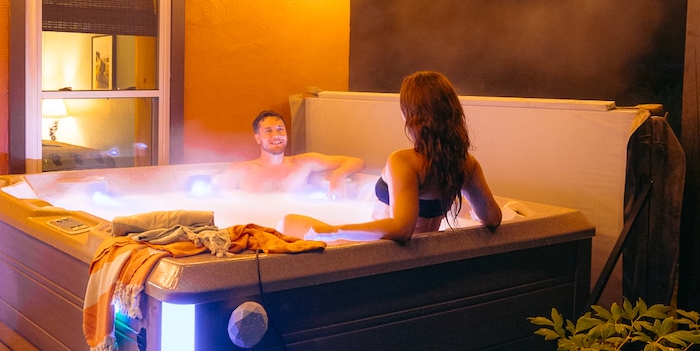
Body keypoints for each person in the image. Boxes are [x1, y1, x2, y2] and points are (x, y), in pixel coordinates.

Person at [282, 71, 502, 243]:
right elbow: (493, 219)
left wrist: (334, 230)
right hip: (425, 251)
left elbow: (402, 229)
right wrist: (476, 213)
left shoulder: (404, 161)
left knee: (288, 221)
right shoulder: (466, 163)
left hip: (381, 252)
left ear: (410, 114)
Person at [211, 109, 364, 195]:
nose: (276, 135)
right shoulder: (241, 170)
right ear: (258, 138)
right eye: (268, 131)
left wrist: (339, 175)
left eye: (280, 129)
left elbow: (357, 162)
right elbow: (217, 205)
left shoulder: (303, 163)